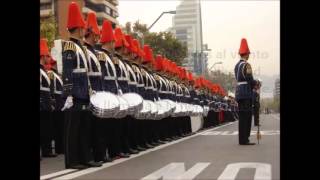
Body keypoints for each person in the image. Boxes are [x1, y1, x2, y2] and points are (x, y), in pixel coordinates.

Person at [60, 2, 101, 169]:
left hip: (84, 93)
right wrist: (68, 93)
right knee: (73, 130)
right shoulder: (70, 46)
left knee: (84, 128)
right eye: (83, 27)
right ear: (77, 28)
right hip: (74, 94)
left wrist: (90, 91)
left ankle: (85, 158)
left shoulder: (81, 49)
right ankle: (72, 161)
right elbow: (68, 71)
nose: (85, 30)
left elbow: (85, 74)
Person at [234, 38, 256, 145]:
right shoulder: (247, 65)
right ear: (246, 54)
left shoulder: (237, 66)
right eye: (248, 54)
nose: (249, 55)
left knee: (242, 117)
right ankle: (245, 139)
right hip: (246, 93)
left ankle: (241, 139)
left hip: (239, 93)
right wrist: (256, 84)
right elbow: (250, 80)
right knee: (247, 117)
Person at [40, 38, 57, 159]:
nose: (49, 58)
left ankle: (46, 150)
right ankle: (44, 150)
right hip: (42, 104)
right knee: (42, 129)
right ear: (42, 56)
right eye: (47, 56)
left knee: (46, 128)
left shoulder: (44, 70)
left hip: (46, 104)